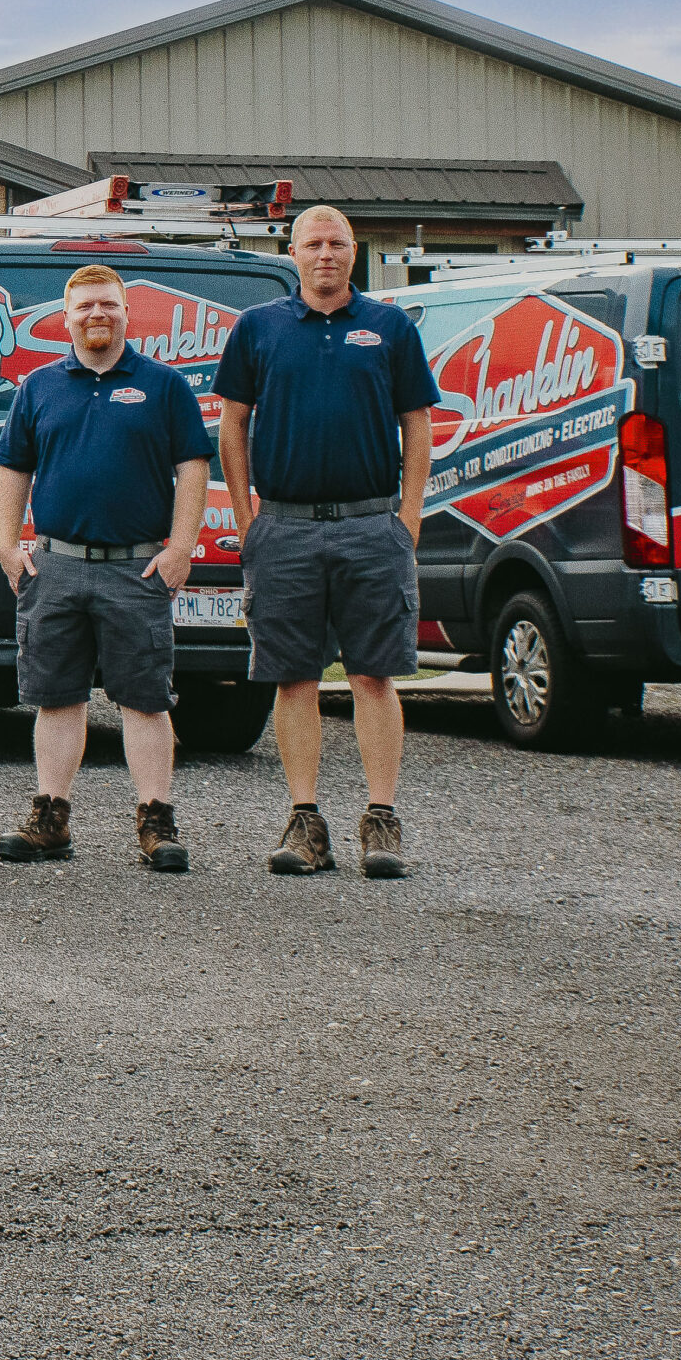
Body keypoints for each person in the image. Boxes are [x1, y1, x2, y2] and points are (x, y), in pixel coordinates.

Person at [212, 205, 437, 879]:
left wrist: (409, 517)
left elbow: (418, 424)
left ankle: (381, 819)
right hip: (284, 525)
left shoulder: (389, 327)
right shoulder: (259, 328)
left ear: (354, 250)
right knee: (295, 676)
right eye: (313, 242)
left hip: (373, 525)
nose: (326, 253)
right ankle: (305, 821)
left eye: (337, 242)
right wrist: (249, 519)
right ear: (293, 251)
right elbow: (231, 426)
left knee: (373, 673)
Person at [0, 264, 212, 872]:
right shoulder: (39, 387)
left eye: (108, 305)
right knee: (56, 697)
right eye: (85, 306)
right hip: (55, 567)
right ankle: (50, 818)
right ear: (66, 317)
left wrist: (181, 548)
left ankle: (156, 821)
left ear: (125, 312)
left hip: (135, 570)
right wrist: (8, 544)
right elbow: (13, 470)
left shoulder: (164, 386)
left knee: (144, 699)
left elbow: (193, 467)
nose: (97, 315)